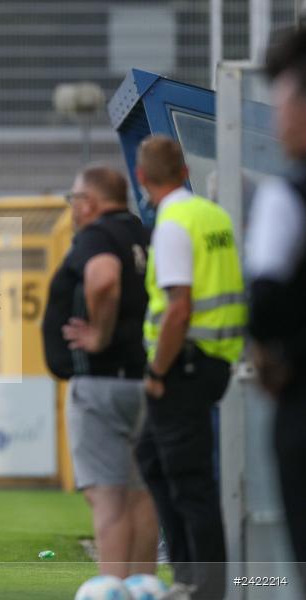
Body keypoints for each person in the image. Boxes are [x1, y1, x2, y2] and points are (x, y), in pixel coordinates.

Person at [134, 136, 246, 600]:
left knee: (188, 477)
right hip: (216, 357)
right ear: (183, 170)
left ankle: (206, 585)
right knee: (153, 457)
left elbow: (179, 308)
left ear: (142, 178)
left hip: (183, 365)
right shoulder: (212, 214)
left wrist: (158, 371)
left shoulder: (172, 223)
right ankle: (187, 575)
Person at [42, 165, 158, 578]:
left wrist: (99, 336)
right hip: (143, 379)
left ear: (89, 202)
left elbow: (103, 278)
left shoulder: (97, 235)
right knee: (142, 493)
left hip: (101, 385)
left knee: (108, 496)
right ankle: (145, 585)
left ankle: (114, 585)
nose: (73, 208)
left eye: (74, 200)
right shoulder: (144, 235)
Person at [246, 28, 306, 593]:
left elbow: (264, 302)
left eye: (283, 105)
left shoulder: (285, 196)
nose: (274, 122)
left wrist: (269, 356)